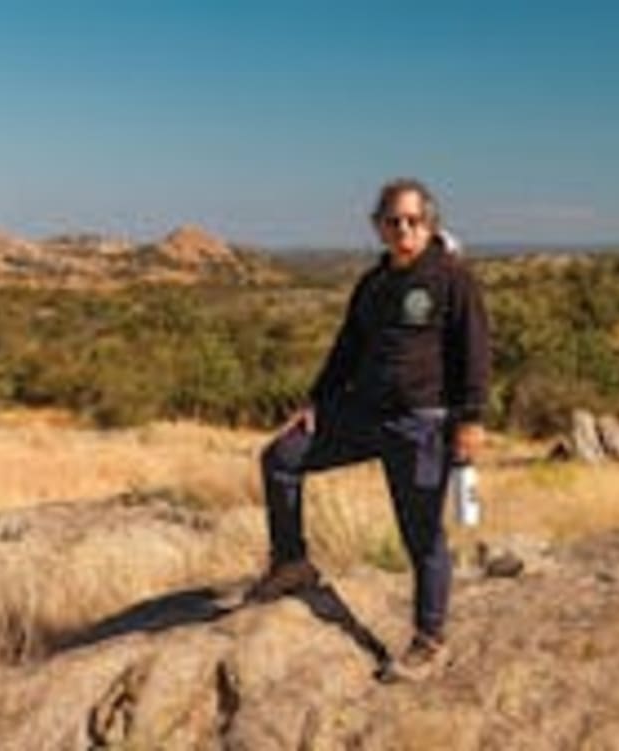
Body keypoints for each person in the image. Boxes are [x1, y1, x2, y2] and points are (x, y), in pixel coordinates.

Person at [247, 178, 490, 682]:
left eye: (413, 221)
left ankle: (430, 640)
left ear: (430, 224)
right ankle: (292, 563)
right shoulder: (373, 284)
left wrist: (471, 419)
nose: (403, 229)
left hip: (420, 423)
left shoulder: (451, 278)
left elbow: (475, 349)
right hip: (362, 414)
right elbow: (347, 349)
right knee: (282, 458)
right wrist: (315, 401)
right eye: (393, 220)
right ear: (378, 226)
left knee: (422, 536)